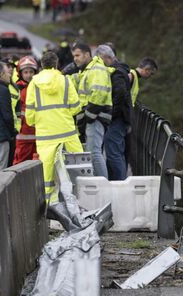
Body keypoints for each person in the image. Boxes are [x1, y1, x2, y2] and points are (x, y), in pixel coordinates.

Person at [25, 52, 83, 204]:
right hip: (67, 131)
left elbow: (30, 111)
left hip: (45, 134)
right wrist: (64, 114)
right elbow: (76, 106)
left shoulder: (33, 83)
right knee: (77, 167)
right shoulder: (65, 81)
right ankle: (78, 202)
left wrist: (34, 122)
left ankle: (50, 205)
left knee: (46, 172)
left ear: (41, 66)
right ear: (57, 64)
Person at [76, 44, 114, 179]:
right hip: (96, 116)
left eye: (77, 55)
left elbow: (98, 94)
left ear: (87, 54)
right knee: (96, 152)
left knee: (94, 153)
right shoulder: (89, 69)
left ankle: (103, 187)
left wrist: (88, 116)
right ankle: (102, 185)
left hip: (96, 116)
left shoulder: (96, 69)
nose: (75, 59)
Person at [125, 57, 158, 172]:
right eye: (151, 73)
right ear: (147, 70)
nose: (150, 76)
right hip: (124, 118)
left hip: (126, 116)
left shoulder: (133, 77)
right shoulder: (131, 76)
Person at [104, 55, 132, 180]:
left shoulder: (117, 73)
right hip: (122, 118)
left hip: (118, 119)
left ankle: (119, 183)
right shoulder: (122, 71)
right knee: (117, 152)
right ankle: (117, 181)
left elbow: (119, 94)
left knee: (113, 153)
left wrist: (111, 114)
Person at [13, 56, 39, 165]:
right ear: (20, 74)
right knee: (20, 164)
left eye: (31, 72)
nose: (29, 75)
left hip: (39, 134)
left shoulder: (40, 87)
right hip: (23, 135)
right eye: (26, 72)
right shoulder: (17, 89)